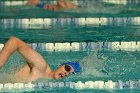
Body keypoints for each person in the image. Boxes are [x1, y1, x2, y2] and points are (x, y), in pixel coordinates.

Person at [0, 36, 81, 82]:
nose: (66, 73)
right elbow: (14, 41)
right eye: (67, 68)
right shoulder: (40, 65)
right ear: (61, 65)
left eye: (70, 73)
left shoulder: (47, 83)